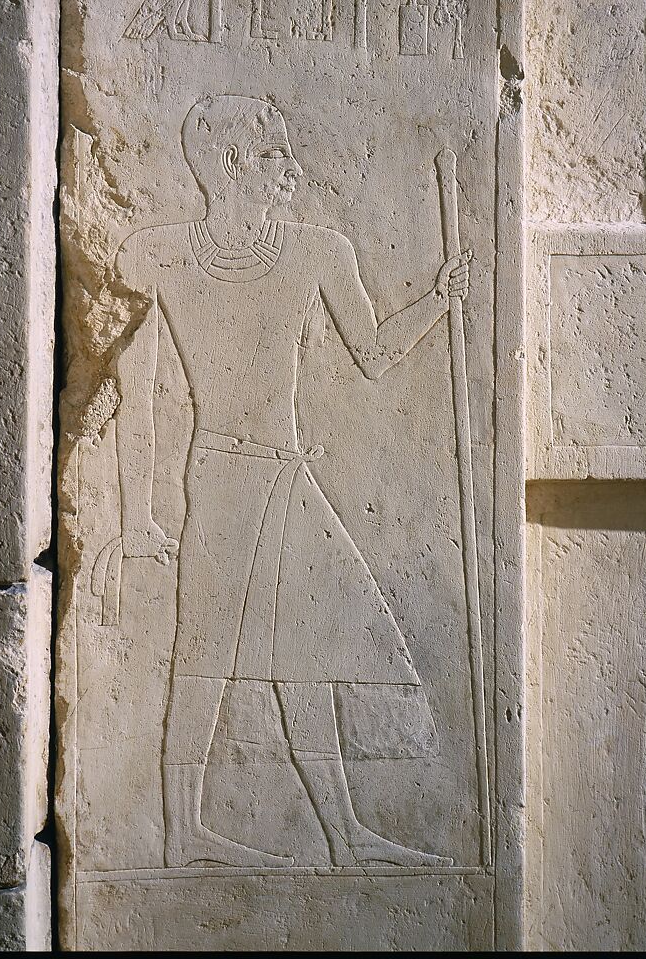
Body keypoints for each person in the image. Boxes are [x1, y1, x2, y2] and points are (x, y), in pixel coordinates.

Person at [115, 95, 470, 868]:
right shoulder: (161, 253)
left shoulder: (319, 250)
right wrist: (136, 516)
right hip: (218, 474)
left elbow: (372, 356)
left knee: (305, 650)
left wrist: (438, 303)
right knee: (202, 652)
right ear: (232, 165)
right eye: (276, 155)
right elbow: (130, 389)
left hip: (285, 472)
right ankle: (184, 835)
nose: (293, 170)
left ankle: (342, 837)